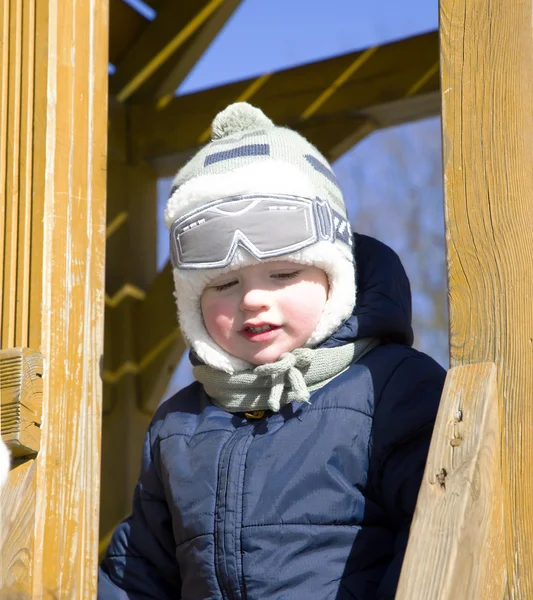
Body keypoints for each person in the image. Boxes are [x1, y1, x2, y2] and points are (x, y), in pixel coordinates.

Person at [98, 102, 445, 599]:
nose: (253, 298)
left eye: (283, 274)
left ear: (335, 279)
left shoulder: (390, 388)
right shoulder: (178, 428)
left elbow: (434, 531)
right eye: (224, 284)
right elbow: (136, 578)